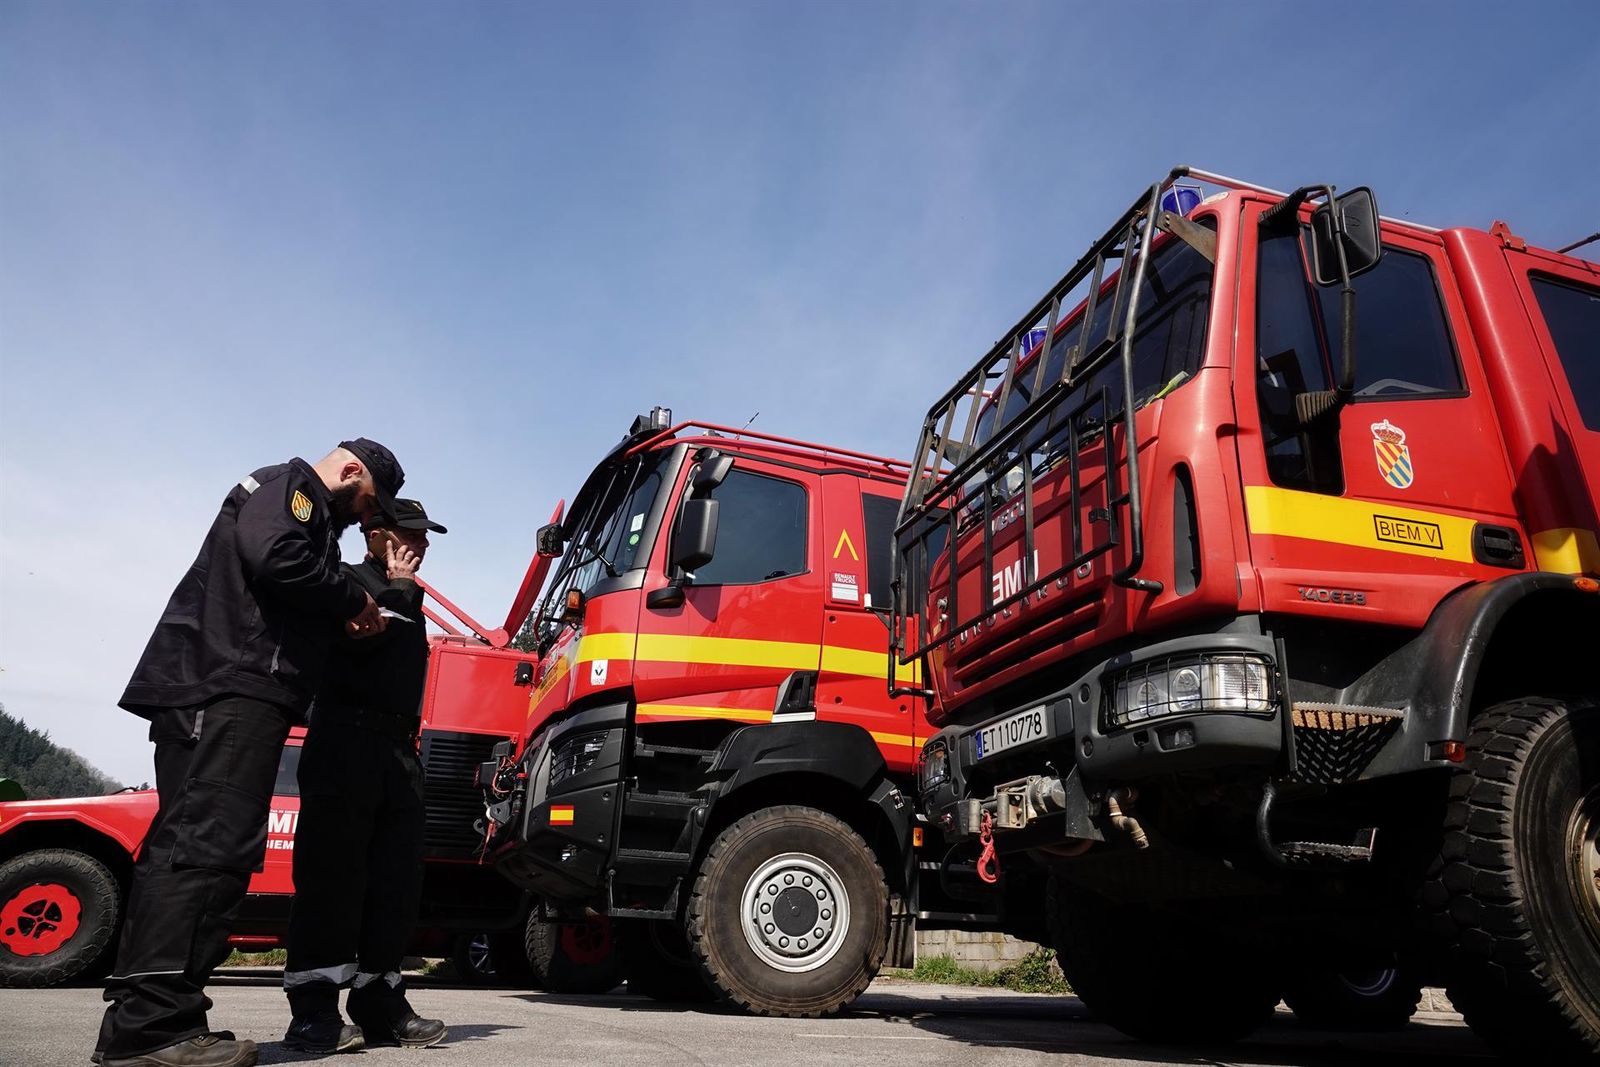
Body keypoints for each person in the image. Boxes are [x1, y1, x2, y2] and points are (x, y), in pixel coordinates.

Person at [97, 439, 405, 1067]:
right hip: (231, 686)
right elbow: (276, 556)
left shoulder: (300, 503)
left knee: (198, 848)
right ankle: (153, 1030)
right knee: (205, 848)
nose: (362, 520)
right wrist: (354, 601)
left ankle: (148, 1018)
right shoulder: (292, 489)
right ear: (351, 472)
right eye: (368, 503)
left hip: (231, 688)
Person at [282, 498, 449, 1053]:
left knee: (395, 882)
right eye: (409, 534)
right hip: (344, 741)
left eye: (426, 538)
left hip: (397, 750)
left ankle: (381, 1001)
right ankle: (313, 1012)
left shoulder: (408, 594)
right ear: (375, 534)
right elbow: (365, 639)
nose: (420, 545)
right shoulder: (342, 578)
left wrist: (405, 594)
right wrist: (400, 592)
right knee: (333, 877)